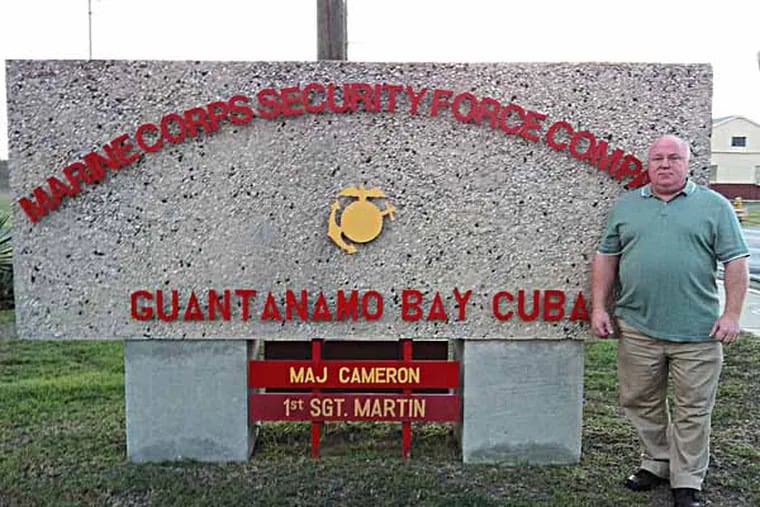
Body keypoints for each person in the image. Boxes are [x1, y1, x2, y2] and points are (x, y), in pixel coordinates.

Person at [591, 135, 749, 507]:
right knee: (639, 400)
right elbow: (606, 257)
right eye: (658, 158)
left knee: (693, 409)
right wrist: (599, 307)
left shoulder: (714, 206)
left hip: (698, 331)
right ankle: (657, 461)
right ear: (648, 164)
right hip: (637, 327)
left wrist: (731, 314)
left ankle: (687, 479)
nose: (665, 164)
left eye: (673, 158)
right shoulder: (627, 206)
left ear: (687, 163)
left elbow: (736, 262)